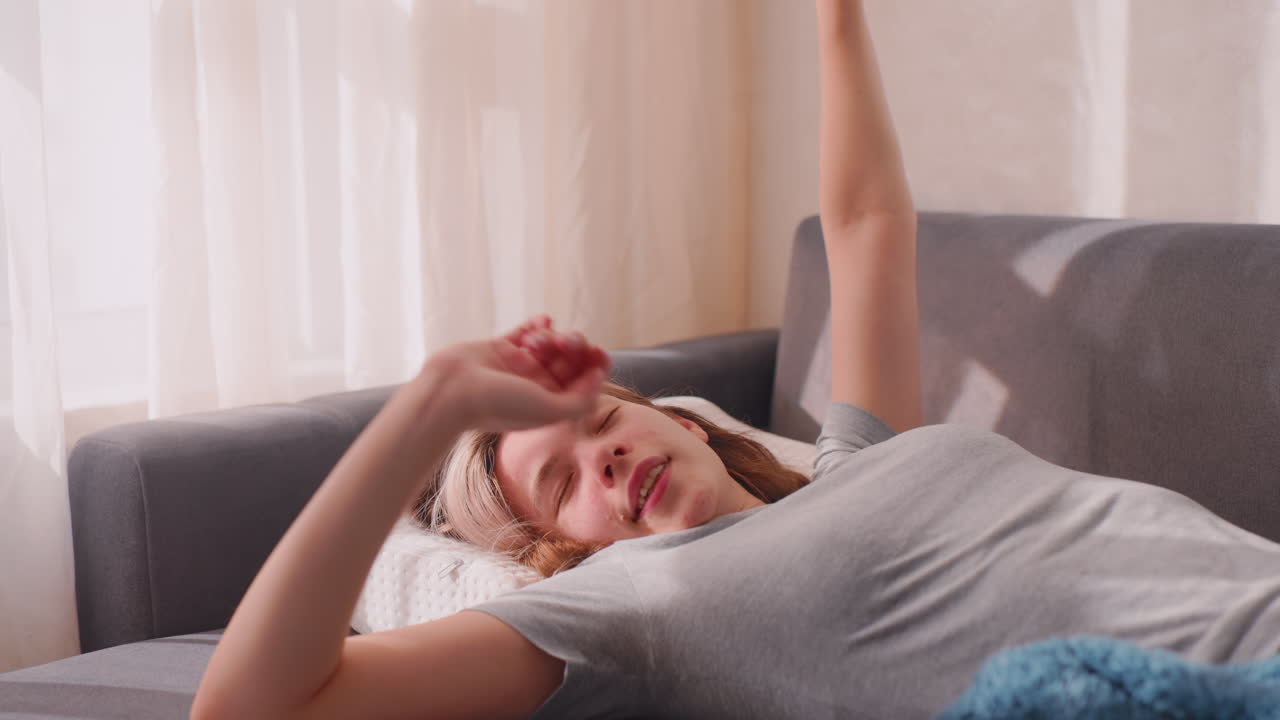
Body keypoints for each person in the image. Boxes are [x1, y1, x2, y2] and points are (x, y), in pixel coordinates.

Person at [192, 1, 1280, 718]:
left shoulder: (859, 459)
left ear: (681, 418)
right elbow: (251, 707)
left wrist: (834, 13)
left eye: (596, 427)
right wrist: (427, 409)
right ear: (548, 549)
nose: (602, 464)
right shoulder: (635, 605)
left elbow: (862, 224)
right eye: (560, 485)